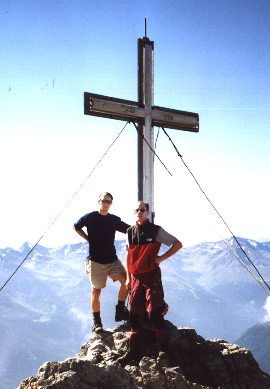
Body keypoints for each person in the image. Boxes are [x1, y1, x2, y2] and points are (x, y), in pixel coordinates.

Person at [118, 200, 182, 364]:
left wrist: (161, 258)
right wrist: (128, 277)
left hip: (151, 276)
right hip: (136, 277)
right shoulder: (130, 232)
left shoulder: (155, 231)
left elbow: (177, 244)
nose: (139, 212)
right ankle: (134, 350)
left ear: (148, 213)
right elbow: (128, 255)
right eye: (137, 210)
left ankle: (163, 350)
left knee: (154, 313)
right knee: (134, 313)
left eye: (142, 210)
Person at [73, 192, 130, 334]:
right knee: (96, 291)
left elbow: (129, 230)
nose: (105, 203)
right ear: (98, 202)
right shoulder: (90, 217)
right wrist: (88, 238)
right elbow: (76, 226)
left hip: (112, 260)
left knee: (127, 282)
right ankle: (97, 323)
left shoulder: (113, 220)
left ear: (111, 204)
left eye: (108, 201)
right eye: (103, 201)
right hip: (96, 261)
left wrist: (145, 228)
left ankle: (120, 310)